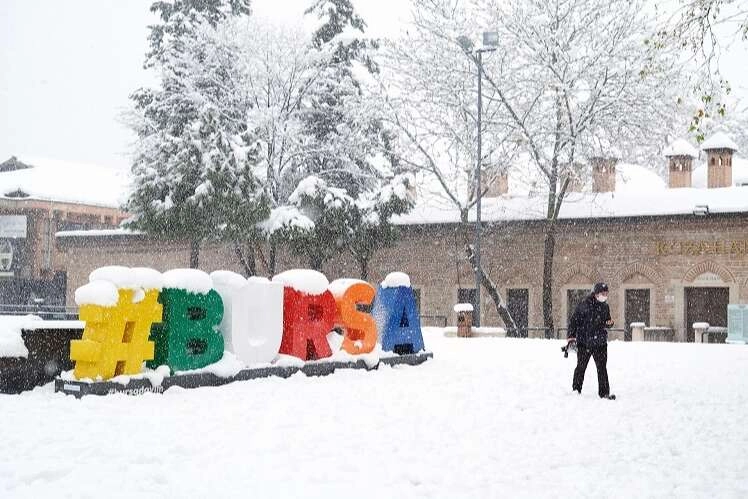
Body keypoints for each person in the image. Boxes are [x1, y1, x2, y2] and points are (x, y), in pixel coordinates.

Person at [567, 282, 616, 400]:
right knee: (581, 367)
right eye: (603, 293)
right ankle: (576, 390)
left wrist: (609, 324)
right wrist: (571, 337)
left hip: (600, 343)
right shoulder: (583, 305)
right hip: (585, 343)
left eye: (606, 293)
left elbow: (606, 321)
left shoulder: (605, 306)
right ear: (596, 293)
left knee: (602, 369)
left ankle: (604, 393)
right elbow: (574, 321)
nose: (605, 295)